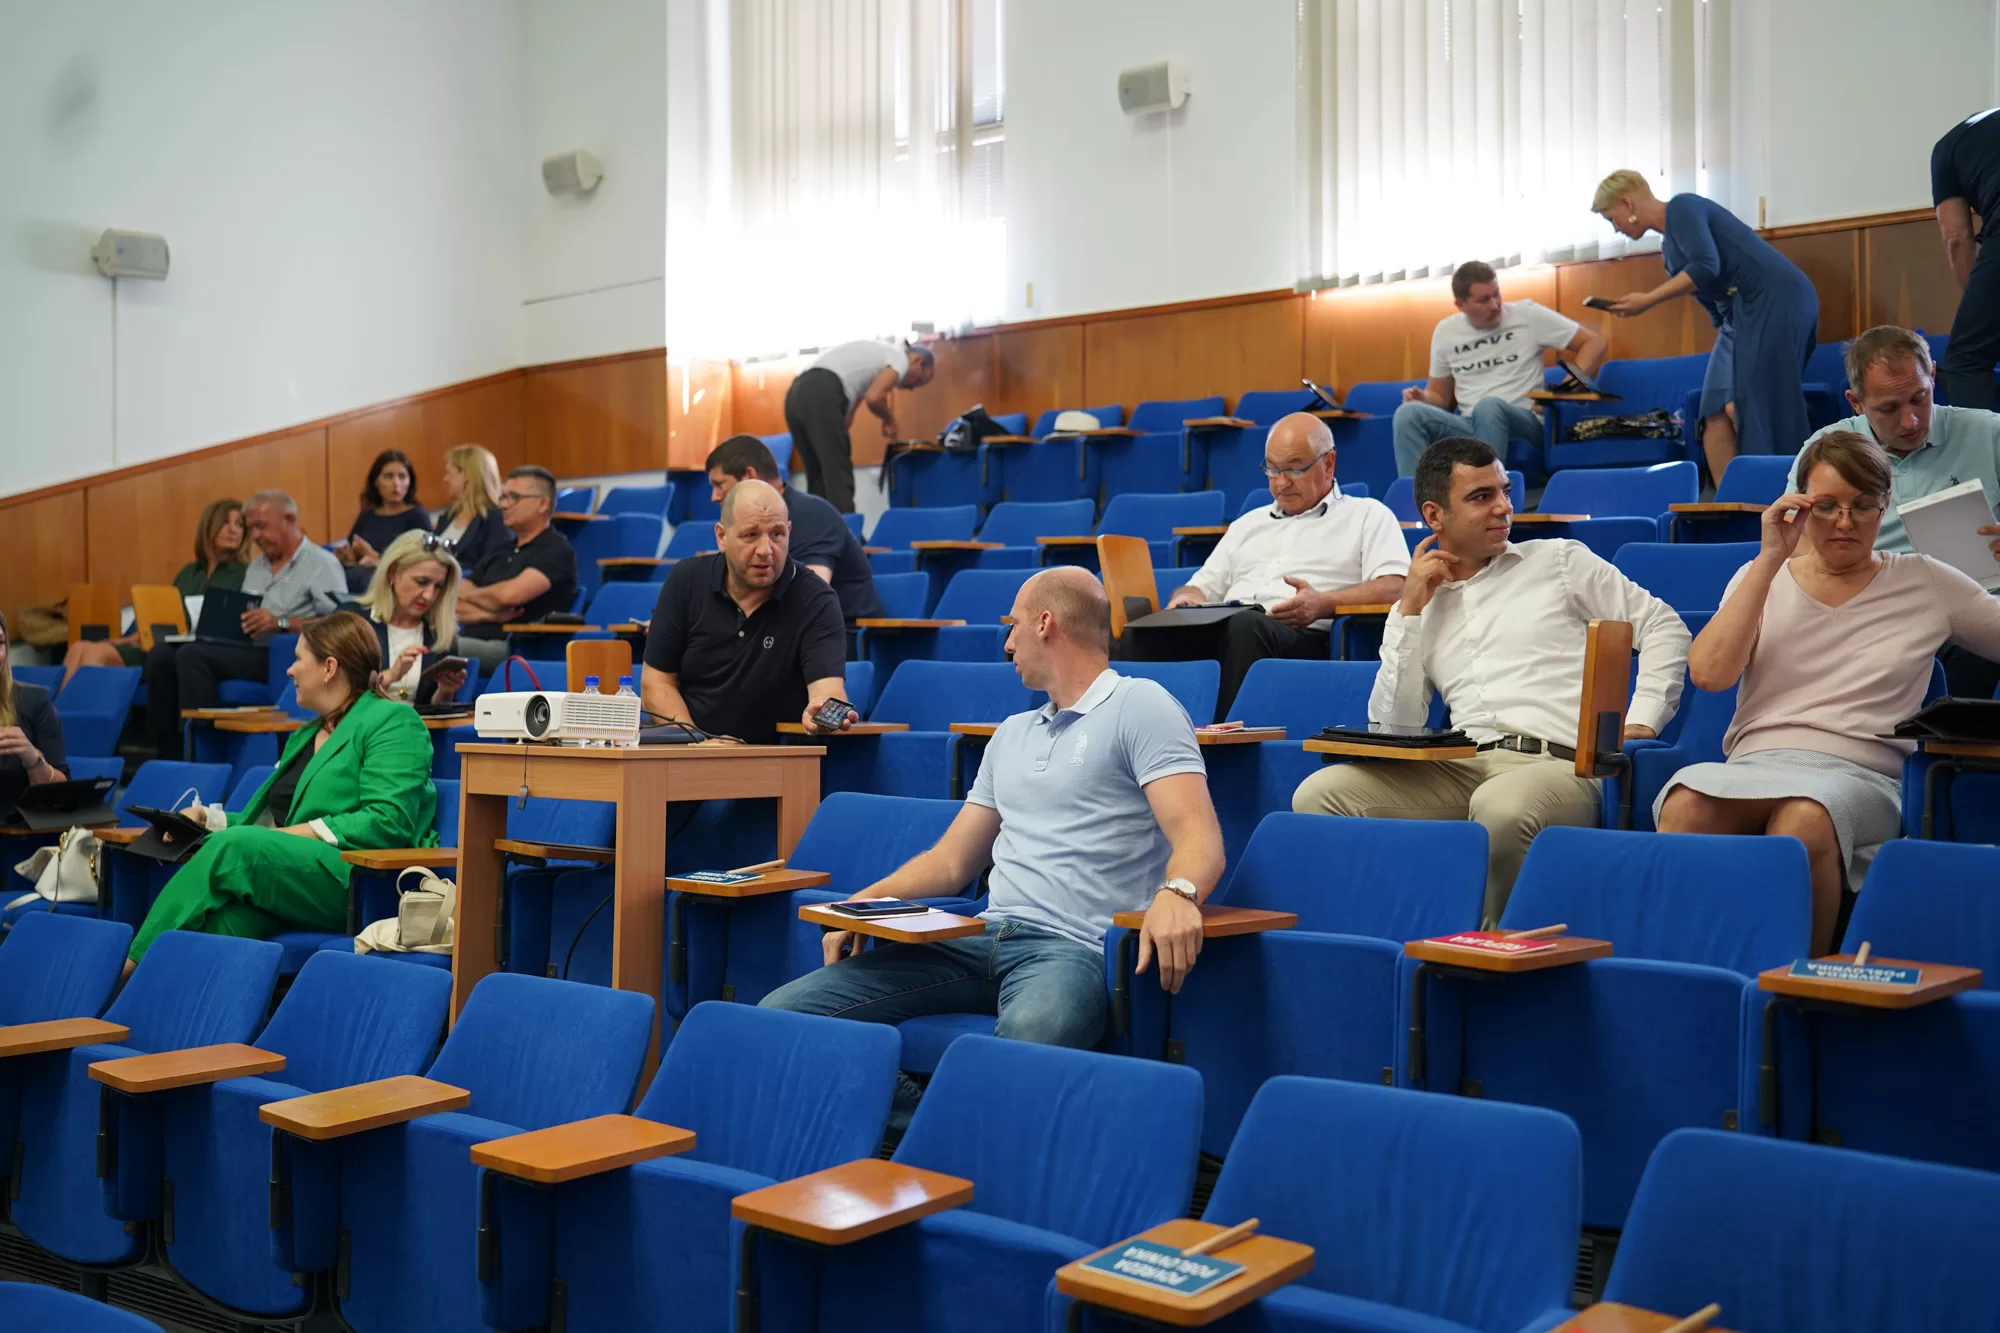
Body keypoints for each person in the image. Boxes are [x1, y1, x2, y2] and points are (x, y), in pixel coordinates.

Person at [762, 567, 1225, 1120]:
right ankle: (925, 1129)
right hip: (978, 936)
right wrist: (864, 903)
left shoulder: (1141, 705)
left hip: (1072, 949)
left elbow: (1199, 835)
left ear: (1046, 624)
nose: (1007, 643)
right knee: (782, 1014)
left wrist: (1179, 892)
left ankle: (954, 1137)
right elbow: (950, 861)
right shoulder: (1011, 733)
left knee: (1028, 1037)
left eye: (1014, 626)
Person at [1292, 436, 1691, 923]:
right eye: (1481, 497)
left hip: (1563, 766)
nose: (1503, 507)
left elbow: (1663, 626)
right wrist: (1410, 611)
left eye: (1504, 491)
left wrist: (1643, 720)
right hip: (1465, 764)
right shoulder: (1418, 605)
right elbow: (1395, 728)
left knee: (1501, 804)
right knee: (1320, 794)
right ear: (1435, 515)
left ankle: (1492, 950)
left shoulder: (1559, 561)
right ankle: (1380, 936)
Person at [1657, 430, 2000, 954]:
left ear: (1886, 504)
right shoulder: (1760, 576)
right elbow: (1709, 675)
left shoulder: (1928, 581)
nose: (1845, 522)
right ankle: (1692, 969)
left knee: (1804, 817)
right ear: (1799, 505)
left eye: (1863, 506)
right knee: (1685, 804)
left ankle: (1798, 982)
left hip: (1862, 776)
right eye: (1827, 506)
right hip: (1755, 762)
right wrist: (1769, 559)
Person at [125, 612, 438, 967]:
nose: (289, 670)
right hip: (290, 876)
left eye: (298, 658)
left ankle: (126, 969)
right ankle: (160, 994)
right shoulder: (306, 734)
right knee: (218, 925)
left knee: (235, 849)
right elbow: (272, 824)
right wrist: (207, 819)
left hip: (356, 883)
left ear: (329, 667)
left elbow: (387, 821)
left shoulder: (393, 720)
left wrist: (285, 836)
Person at [1138, 413, 1409, 716]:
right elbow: (1200, 587)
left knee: (1247, 626)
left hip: (1307, 638)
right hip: (1230, 629)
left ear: (1329, 463)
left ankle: (1229, 738)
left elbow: (1396, 587)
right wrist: (1185, 600)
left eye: (1294, 468)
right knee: (1143, 632)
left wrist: (1323, 603)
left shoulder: (1367, 515)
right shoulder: (1247, 524)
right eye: (1272, 469)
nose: (1281, 482)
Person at [1793, 325, 2000, 699]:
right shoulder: (1827, 451)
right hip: (1873, 612)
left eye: (1920, 398)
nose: (1911, 421)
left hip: (1975, 612)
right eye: (1889, 408)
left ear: (1932, 375)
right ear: (1856, 402)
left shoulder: (1989, 433)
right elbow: (1797, 552)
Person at [1591, 170, 1819, 480]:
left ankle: (1791, 491)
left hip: (1774, 298)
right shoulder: (1669, 250)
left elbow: (1706, 266)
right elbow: (1710, 298)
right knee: (1714, 412)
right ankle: (1730, 500)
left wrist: (1648, 300)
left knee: (1760, 408)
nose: (1615, 228)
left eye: (1611, 218)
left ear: (1627, 203)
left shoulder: (1682, 207)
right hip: (1738, 315)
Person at [639, 480, 852, 743]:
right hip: (689, 749)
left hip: (773, 757)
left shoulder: (816, 599)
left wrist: (825, 716)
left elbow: (831, 694)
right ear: (722, 537)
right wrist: (698, 745)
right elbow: (656, 682)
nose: (765, 550)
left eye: (777, 534)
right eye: (751, 535)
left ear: (789, 531)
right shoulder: (686, 580)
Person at [145, 490, 346, 759]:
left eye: (261, 526)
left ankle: (203, 754)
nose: (255, 536)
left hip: (289, 654)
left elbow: (340, 624)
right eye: (251, 528)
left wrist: (281, 622)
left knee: (193, 656)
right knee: (161, 655)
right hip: (248, 647)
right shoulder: (257, 567)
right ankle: (168, 751)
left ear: (288, 520)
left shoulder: (322, 564)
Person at [1393, 261, 1609, 476]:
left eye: (1496, 294)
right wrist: (1422, 397)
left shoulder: (1527, 315)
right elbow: (1440, 395)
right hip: (1472, 424)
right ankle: (1415, 495)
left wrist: (1564, 389)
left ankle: (1484, 487)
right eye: (1484, 300)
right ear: (1460, 304)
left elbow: (1594, 344)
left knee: (1489, 406)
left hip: (1525, 420)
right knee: (1407, 413)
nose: (1495, 305)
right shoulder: (1446, 331)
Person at [60, 498, 249, 685]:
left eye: (239, 525)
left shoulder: (245, 573)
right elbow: (164, 617)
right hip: (160, 643)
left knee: (98, 654)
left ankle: (63, 706)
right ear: (209, 527)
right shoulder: (189, 572)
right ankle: (56, 705)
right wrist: (130, 640)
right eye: (225, 523)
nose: (233, 530)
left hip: (190, 652)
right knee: (80, 647)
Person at [705, 433, 885, 626]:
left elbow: (809, 596)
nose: (714, 497)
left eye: (719, 485)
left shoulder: (812, 515)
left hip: (842, 632)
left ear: (749, 476)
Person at [783, 340, 936, 513]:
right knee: (838, 474)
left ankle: (820, 526)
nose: (912, 389)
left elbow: (847, 417)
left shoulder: (873, 363)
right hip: (820, 391)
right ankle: (847, 527)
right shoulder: (900, 358)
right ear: (917, 360)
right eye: (918, 382)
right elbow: (874, 398)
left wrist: (837, 437)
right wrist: (889, 419)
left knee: (818, 476)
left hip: (795, 396)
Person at [454, 465, 579, 671]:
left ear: (542, 504)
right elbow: (455, 598)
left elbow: (508, 597)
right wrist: (490, 615)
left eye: (514, 497)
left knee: (429, 648)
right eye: (503, 497)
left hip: (515, 649)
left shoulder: (557, 550)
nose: (503, 505)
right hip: (471, 639)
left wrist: (474, 596)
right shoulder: (500, 549)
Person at [342, 531, 467, 705]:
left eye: (438, 586)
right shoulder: (351, 619)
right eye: (422, 582)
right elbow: (338, 695)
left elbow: (434, 710)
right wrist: (391, 676)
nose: (429, 595)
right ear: (393, 573)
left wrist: (445, 692)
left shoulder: (441, 633)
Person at [1933, 108, 2000, 410]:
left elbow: (1957, 237)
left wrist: (1977, 301)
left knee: (1966, 359)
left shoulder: (1948, 147)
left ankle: (1979, 443)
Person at [0, 612, 68, 816]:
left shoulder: (33, 702)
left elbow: (62, 795)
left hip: (15, 828)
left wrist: (33, 760)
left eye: (0, 643)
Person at [339, 449, 433, 594]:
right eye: (388, 476)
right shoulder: (368, 515)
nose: (396, 483)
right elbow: (353, 550)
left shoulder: (417, 516)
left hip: (389, 582)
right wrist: (347, 556)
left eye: (402, 476)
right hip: (358, 574)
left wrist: (377, 559)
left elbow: (422, 564)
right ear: (376, 482)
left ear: (410, 481)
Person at [435, 443, 511, 570]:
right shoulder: (449, 514)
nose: (445, 479)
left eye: (448, 472)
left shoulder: (496, 517)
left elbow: (496, 569)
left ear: (467, 475)